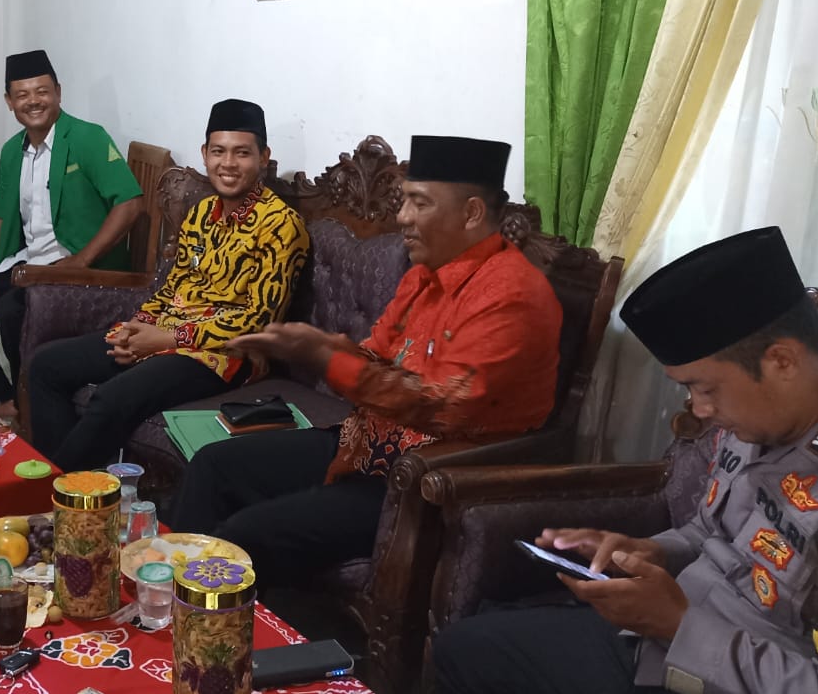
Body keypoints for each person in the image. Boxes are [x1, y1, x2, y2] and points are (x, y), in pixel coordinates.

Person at [433, 227, 818, 694]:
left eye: (704, 388)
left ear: (782, 362)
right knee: (467, 646)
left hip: (713, 666)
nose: (700, 411)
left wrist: (679, 625)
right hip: (667, 636)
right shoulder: (763, 416)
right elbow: (712, 532)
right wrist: (653, 551)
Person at [165, 136, 562, 586]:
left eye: (418, 204)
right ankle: (163, 605)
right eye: (404, 201)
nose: (402, 218)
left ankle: (219, 637)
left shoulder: (512, 295)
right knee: (214, 465)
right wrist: (320, 345)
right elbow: (375, 355)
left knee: (245, 537)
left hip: (426, 482)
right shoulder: (422, 275)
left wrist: (324, 358)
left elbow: (442, 404)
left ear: (471, 212)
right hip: (364, 447)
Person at [28, 99, 310, 472]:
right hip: (164, 333)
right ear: (204, 154)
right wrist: (138, 327)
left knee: (113, 398)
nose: (228, 164)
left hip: (224, 356)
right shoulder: (201, 214)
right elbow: (171, 286)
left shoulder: (280, 225)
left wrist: (166, 340)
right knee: (46, 366)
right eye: (218, 151)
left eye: (242, 153)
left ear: (263, 157)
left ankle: (56, 499)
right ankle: (71, 486)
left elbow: (258, 321)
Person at [0, 49, 144, 420]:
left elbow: (129, 204)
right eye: (23, 94)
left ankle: (31, 402)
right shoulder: (13, 151)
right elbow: (0, 221)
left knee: (16, 308)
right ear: (9, 102)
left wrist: (81, 261)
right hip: (33, 268)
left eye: (42, 91)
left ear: (58, 93)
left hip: (84, 273)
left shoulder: (87, 138)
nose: (34, 101)